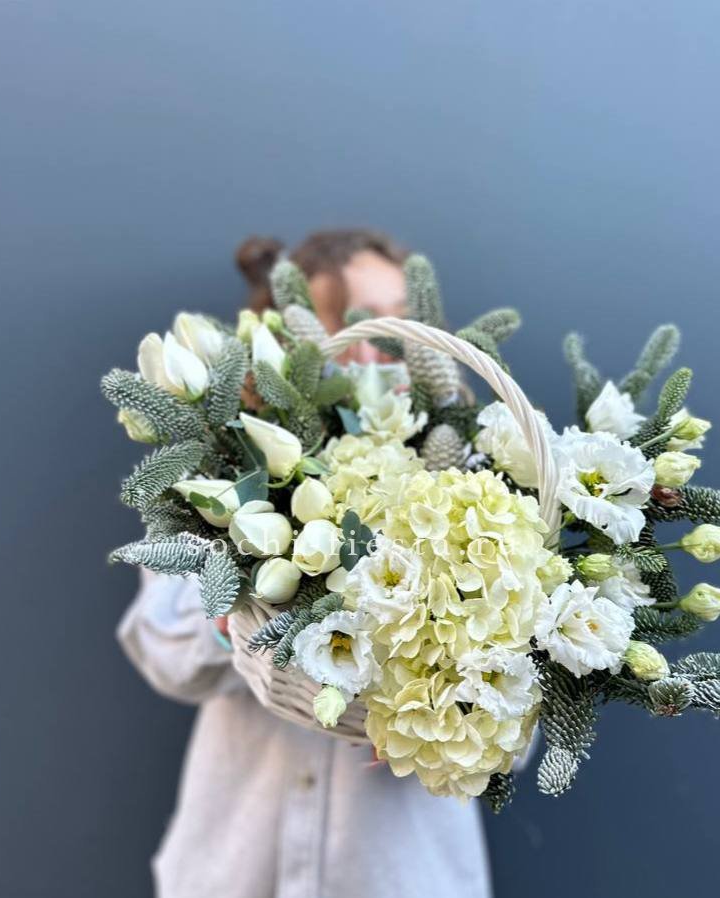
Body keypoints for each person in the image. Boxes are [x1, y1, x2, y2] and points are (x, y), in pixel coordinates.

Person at [118, 230, 493, 898]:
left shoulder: (477, 483)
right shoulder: (220, 480)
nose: (378, 348)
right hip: (234, 869)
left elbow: (519, 724)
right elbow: (164, 651)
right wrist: (246, 619)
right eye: (347, 325)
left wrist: (447, 712)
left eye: (398, 322)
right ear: (289, 343)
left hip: (397, 877)